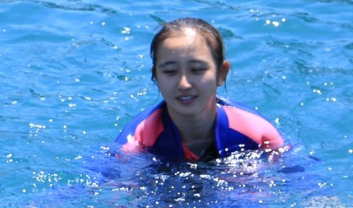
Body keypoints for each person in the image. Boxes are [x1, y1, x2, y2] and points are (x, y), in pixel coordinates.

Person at [113, 17, 286, 164]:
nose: (184, 84)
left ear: (221, 73)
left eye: (197, 70)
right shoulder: (136, 143)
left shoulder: (258, 134)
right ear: (156, 77)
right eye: (170, 72)